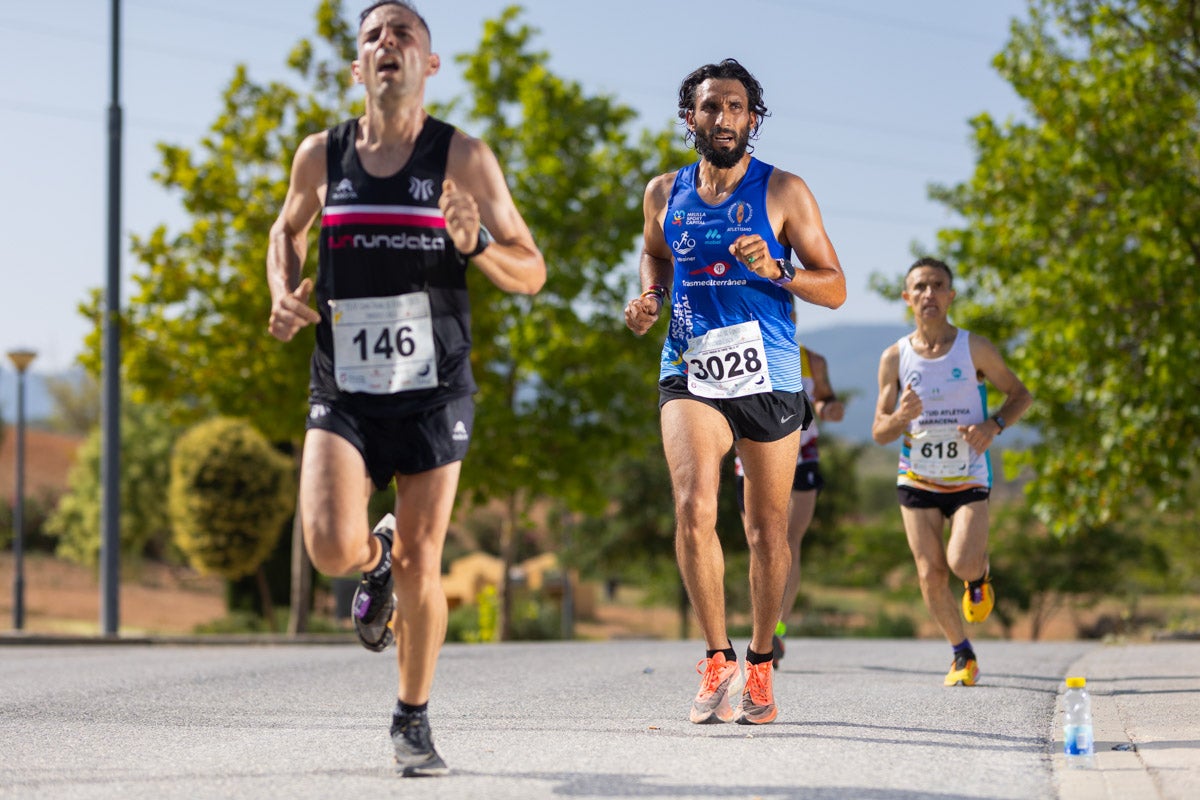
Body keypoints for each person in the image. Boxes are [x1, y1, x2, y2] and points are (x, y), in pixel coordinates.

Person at [266, 0, 545, 776]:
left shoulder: (463, 158)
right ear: (358, 68)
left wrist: (477, 243)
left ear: (429, 64)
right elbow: (286, 231)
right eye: (373, 36)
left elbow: (532, 271)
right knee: (327, 545)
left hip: (433, 387)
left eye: (404, 34)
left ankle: (412, 718)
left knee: (427, 558)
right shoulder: (320, 157)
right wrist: (281, 290)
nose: (387, 43)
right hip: (346, 385)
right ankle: (371, 553)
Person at [624, 58, 845, 726]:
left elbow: (833, 285)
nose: (723, 119)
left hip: (769, 374)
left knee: (764, 529)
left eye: (736, 107)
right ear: (689, 116)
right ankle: (717, 656)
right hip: (690, 367)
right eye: (710, 107)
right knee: (693, 507)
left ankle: (759, 664)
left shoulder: (784, 192)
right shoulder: (664, 190)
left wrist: (778, 268)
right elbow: (656, 253)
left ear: (754, 118)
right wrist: (651, 296)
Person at [870, 257, 1031, 687]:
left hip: (968, 473)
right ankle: (962, 654)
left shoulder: (973, 348)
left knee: (960, 561)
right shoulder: (894, 358)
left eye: (937, 285)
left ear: (950, 295)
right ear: (907, 298)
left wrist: (992, 425)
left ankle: (977, 575)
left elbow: (1020, 394)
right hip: (918, 475)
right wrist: (901, 416)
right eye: (920, 287)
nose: (928, 294)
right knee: (929, 571)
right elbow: (879, 432)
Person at [733, 345, 844, 669]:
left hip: (801, 454)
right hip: (753, 457)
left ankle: (776, 630)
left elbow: (824, 397)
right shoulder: (743, 347)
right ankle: (762, 630)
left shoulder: (813, 359)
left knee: (789, 540)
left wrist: (829, 408)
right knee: (760, 544)